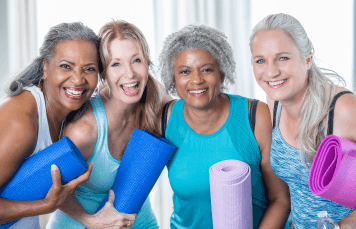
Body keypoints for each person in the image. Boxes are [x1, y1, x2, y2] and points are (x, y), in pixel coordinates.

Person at [158, 24, 290, 229]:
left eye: (207, 70)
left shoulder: (254, 115)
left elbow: (280, 200)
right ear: (173, 79)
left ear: (221, 73)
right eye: (185, 71)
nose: (196, 80)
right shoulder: (165, 119)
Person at [46, 20, 168, 229]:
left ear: (147, 63)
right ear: (103, 73)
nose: (130, 74)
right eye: (116, 63)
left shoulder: (155, 101)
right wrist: (92, 221)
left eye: (136, 60)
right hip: (81, 224)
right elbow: (51, 188)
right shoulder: (85, 130)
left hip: (138, 220)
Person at [249, 13, 356, 229]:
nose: (271, 71)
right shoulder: (275, 102)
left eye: (283, 58)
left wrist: (345, 224)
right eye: (261, 60)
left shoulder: (342, 109)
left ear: (308, 59)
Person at [0, 22, 100, 229]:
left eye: (89, 69)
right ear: (45, 67)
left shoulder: (68, 112)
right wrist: (45, 205)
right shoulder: (21, 123)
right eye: (66, 66)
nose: (78, 79)